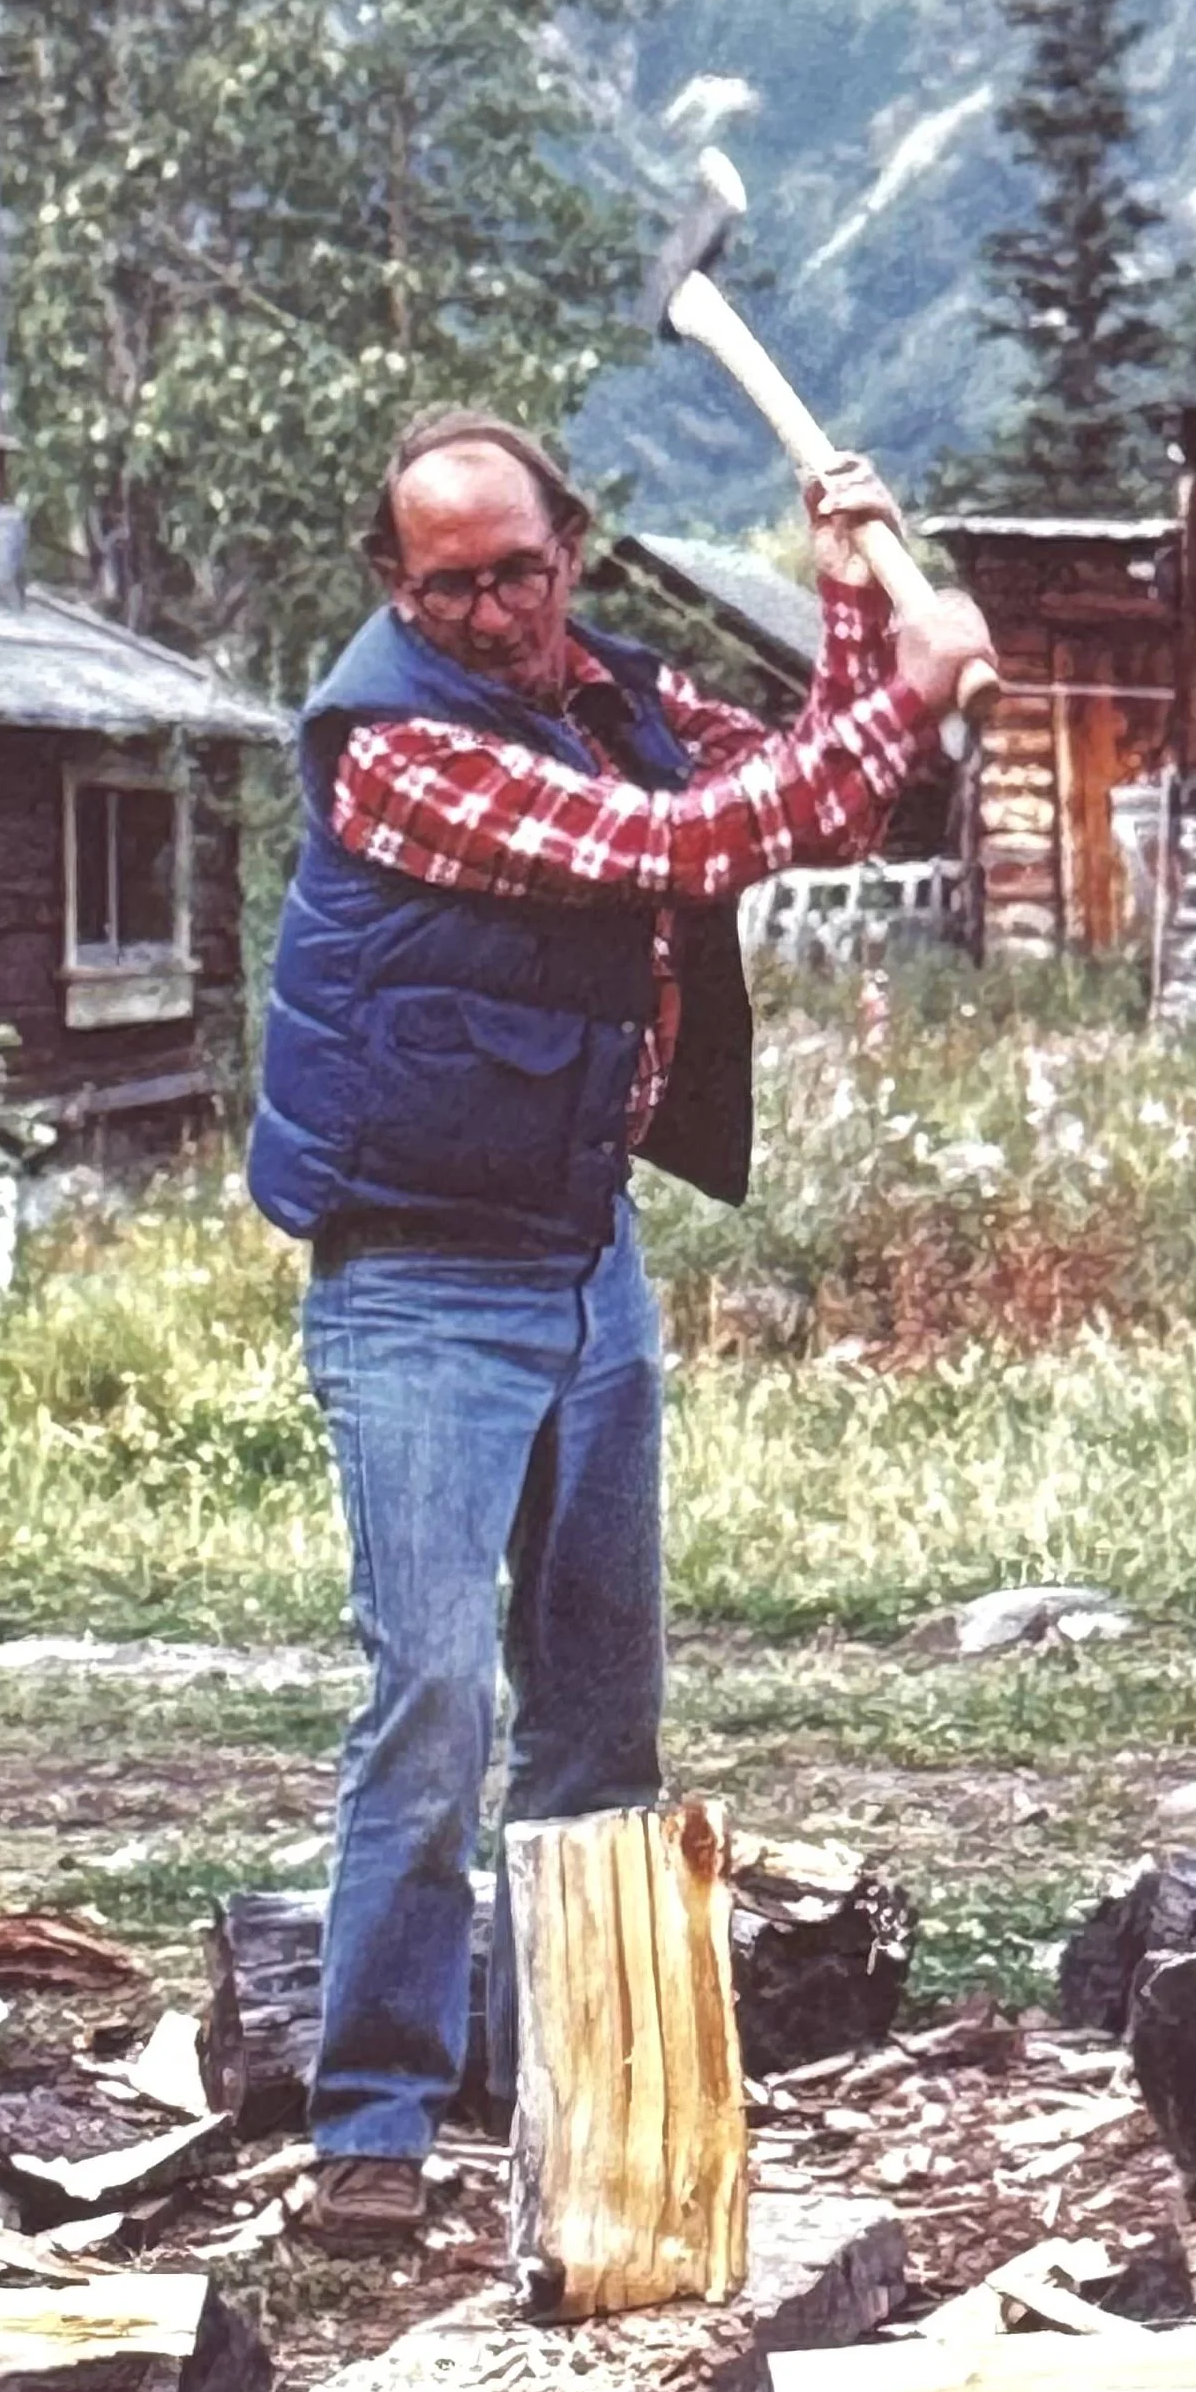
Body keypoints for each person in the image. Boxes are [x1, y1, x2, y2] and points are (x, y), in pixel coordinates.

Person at [247, 405, 995, 2249]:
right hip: (417, 1276)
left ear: (568, 546)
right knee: (429, 1700)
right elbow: (680, 845)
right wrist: (910, 686)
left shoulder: (612, 693)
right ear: (393, 585)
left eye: (516, 569)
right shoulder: (399, 751)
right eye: (449, 582)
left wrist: (855, 609)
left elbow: (836, 788)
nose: (491, 609)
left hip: (584, 1257)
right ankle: (373, 2121)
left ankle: (575, 2084)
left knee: (600, 1713)